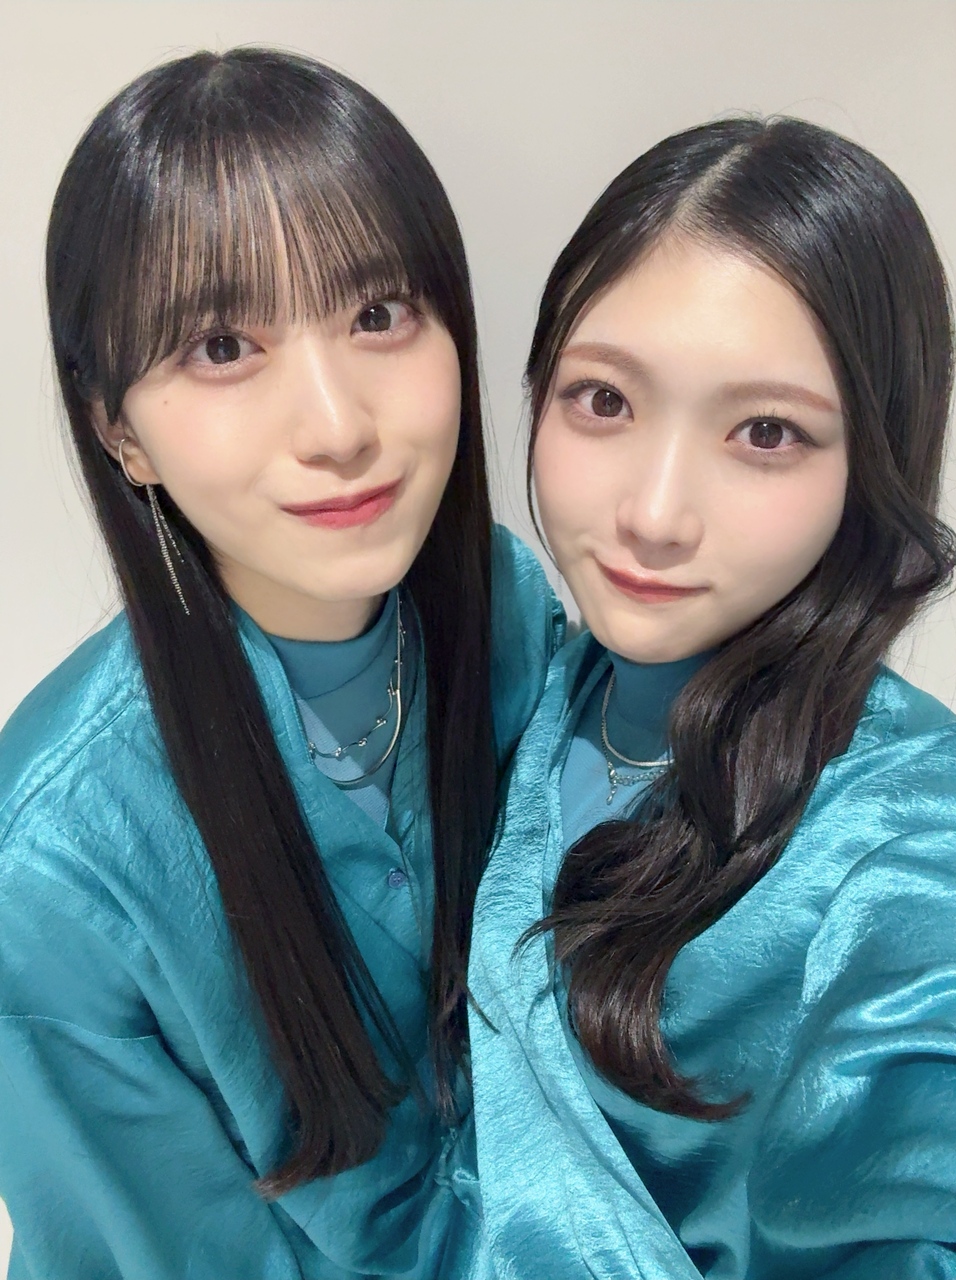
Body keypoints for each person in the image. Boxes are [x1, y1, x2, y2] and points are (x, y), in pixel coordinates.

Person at [0, 48, 562, 1280]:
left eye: (378, 314)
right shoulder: (48, 873)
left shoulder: (507, 609)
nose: (340, 425)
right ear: (118, 430)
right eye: (221, 345)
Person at [467, 117, 956, 1279]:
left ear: (873, 461)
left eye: (765, 432)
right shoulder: (532, 681)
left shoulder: (909, 853)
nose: (653, 513)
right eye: (603, 400)